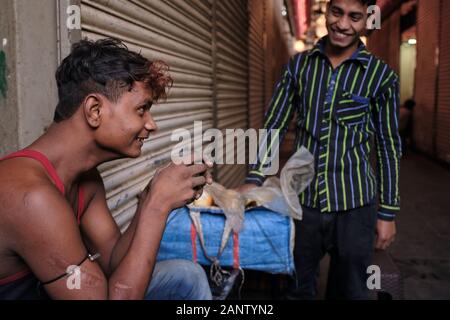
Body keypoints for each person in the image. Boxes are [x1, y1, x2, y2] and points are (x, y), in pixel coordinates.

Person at [0, 38, 213, 300]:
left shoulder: (85, 179)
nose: (152, 124)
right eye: (142, 109)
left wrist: (151, 196)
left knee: (186, 276)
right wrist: (158, 205)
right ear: (95, 110)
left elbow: (113, 259)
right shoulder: (31, 197)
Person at [236, 0, 402, 299]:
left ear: (367, 19)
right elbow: (275, 123)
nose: (342, 24)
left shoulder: (381, 76)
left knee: (352, 292)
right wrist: (256, 177)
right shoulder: (299, 66)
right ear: (327, 11)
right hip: (303, 203)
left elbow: (389, 145)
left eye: (354, 17)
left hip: (356, 206)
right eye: (336, 13)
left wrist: (387, 213)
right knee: (296, 289)